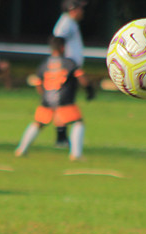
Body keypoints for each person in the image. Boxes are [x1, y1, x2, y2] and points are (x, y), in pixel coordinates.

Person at [15, 36, 93, 160]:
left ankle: (21, 149)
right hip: (64, 100)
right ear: (63, 47)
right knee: (78, 123)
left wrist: (44, 95)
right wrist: (89, 90)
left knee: (38, 123)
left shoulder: (44, 64)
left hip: (47, 99)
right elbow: (81, 77)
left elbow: (38, 83)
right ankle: (76, 154)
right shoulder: (69, 62)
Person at [51, 0, 85, 146]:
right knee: (63, 103)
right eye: (80, 8)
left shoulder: (71, 23)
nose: (82, 12)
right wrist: (61, 64)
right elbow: (57, 41)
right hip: (66, 70)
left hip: (69, 69)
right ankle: (61, 137)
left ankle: (62, 137)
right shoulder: (66, 23)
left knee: (64, 103)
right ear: (73, 10)